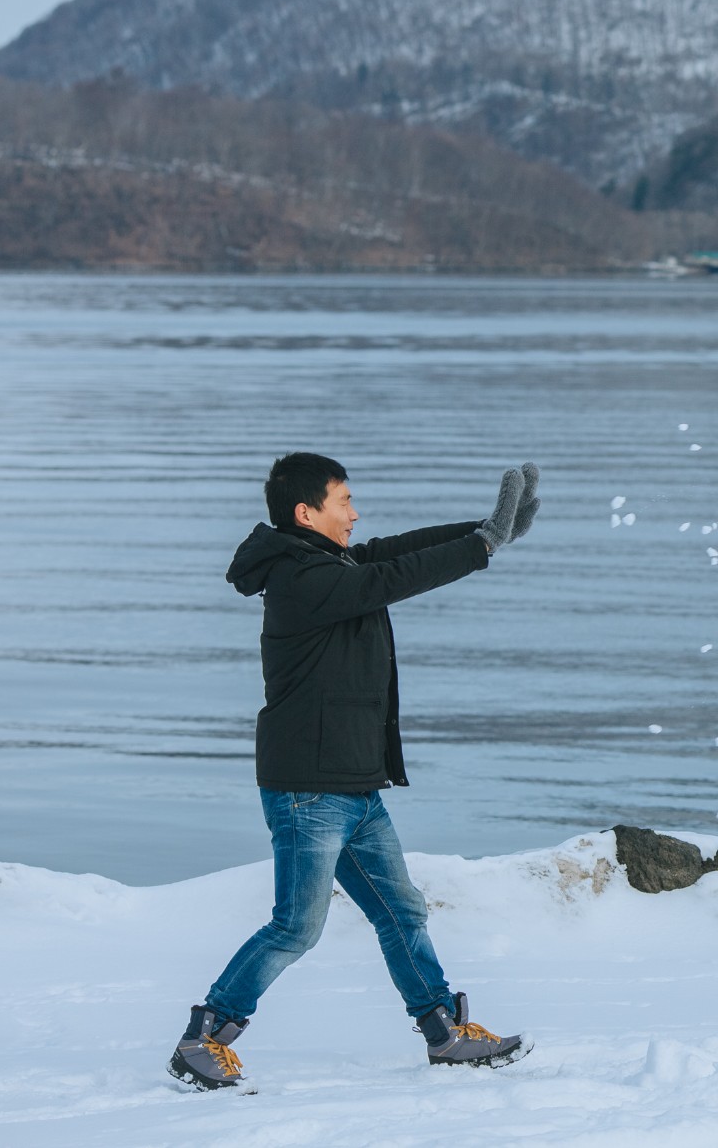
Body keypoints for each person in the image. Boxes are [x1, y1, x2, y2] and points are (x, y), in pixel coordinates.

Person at [169, 453, 542, 1092]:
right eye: (344, 501)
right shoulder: (300, 580)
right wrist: (481, 546)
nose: (355, 513)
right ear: (305, 513)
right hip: (308, 790)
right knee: (296, 927)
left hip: (352, 784)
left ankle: (443, 1032)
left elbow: (388, 553)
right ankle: (202, 1040)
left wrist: (481, 528)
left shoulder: (329, 562)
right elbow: (390, 578)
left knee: (401, 910)